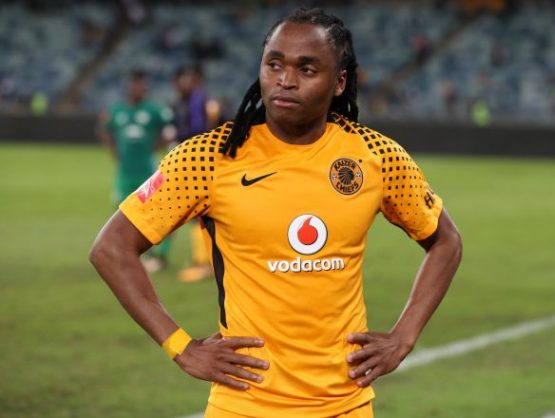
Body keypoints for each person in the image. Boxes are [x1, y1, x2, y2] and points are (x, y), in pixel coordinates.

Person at [90, 8, 462, 418]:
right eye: (274, 64)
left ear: (339, 82)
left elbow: (445, 241)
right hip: (244, 405)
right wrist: (181, 346)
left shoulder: (375, 156)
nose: (286, 79)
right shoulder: (210, 157)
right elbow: (111, 248)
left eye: (307, 69)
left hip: (346, 404)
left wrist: (404, 336)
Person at [97, 69, 174, 273]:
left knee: (155, 210)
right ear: (129, 86)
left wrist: (156, 148)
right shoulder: (117, 111)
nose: (141, 88)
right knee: (121, 211)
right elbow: (105, 129)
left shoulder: (154, 110)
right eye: (137, 84)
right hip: (125, 171)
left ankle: (159, 255)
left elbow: (169, 130)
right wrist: (114, 152)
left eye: (143, 84)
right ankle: (126, 251)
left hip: (148, 171)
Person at [170, 64, 216, 282]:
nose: (182, 84)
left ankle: (203, 263)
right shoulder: (198, 100)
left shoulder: (197, 101)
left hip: (200, 161)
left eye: (187, 79)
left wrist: (176, 137)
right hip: (206, 159)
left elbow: (198, 131)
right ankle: (205, 261)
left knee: (198, 213)